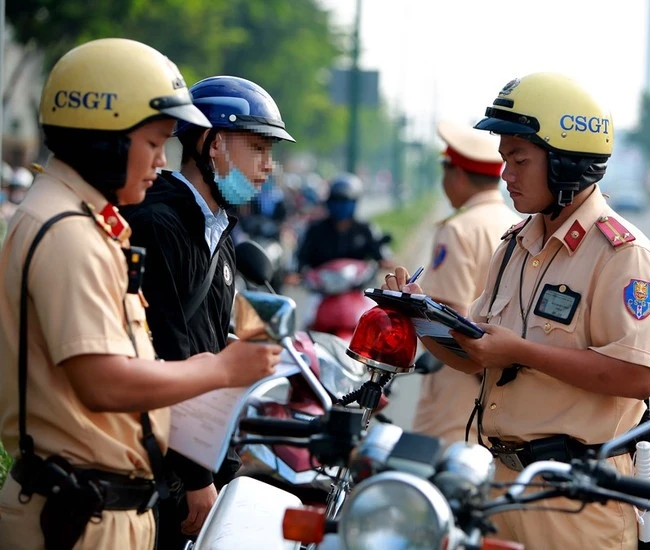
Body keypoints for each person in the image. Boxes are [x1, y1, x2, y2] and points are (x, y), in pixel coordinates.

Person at [0, 38, 283, 550]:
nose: (160, 163)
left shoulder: (85, 222)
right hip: (78, 514)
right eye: (153, 143)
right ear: (107, 138)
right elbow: (104, 382)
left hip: (103, 507)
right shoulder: (69, 231)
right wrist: (222, 370)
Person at [385, 72, 650, 549]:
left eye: (519, 160)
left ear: (564, 162)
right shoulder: (516, 245)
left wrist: (524, 351)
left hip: (574, 501)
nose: (506, 175)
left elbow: (638, 376)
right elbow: (480, 355)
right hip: (500, 485)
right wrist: (417, 316)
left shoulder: (622, 254)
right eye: (504, 160)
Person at [119, 75, 295, 547]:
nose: (267, 166)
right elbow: (168, 354)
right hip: (157, 471)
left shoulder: (218, 230)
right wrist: (197, 479)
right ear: (213, 144)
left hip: (193, 464)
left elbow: (216, 345)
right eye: (257, 147)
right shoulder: (158, 224)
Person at [411, 120, 520, 447]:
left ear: (456, 174)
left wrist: (409, 307)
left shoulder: (458, 230)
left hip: (457, 399)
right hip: (503, 400)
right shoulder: (517, 225)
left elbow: (449, 318)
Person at [292, 172, 393, 274]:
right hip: (321, 286)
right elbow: (300, 258)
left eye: (345, 201)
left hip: (357, 285)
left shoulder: (365, 229)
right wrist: (295, 273)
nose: (340, 206)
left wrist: (384, 262)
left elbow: (380, 254)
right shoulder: (315, 230)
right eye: (336, 200)